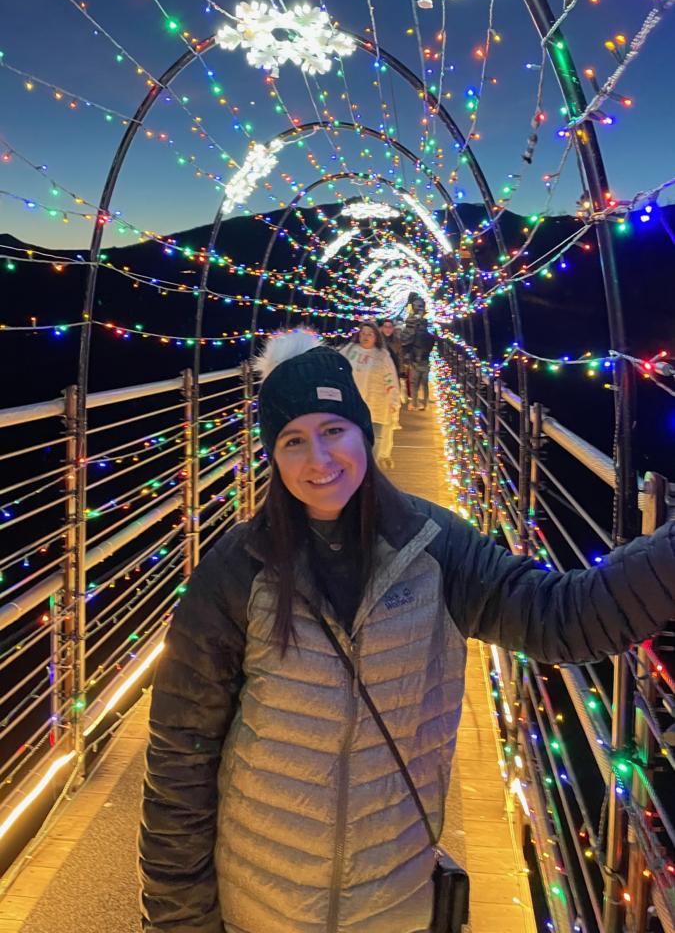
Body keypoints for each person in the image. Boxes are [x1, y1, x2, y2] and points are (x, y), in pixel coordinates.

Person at [139, 329, 675, 933]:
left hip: (393, 907)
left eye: (334, 430)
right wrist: (180, 921)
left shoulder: (437, 548)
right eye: (293, 440)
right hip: (259, 906)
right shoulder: (237, 569)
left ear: (364, 433)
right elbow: (180, 755)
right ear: (272, 454)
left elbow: (561, 618)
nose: (319, 460)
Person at [341, 320, 399, 468]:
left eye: (370, 334)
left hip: (376, 402)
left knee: (376, 437)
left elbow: (390, 379)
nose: (366, 337)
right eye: (363, 334)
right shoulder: (349, 351)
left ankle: (371, 468)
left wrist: (393, 400)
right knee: (354, 436)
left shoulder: (382, 356)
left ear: (376, 337)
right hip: (353, 402)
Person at [400, 302, 436, 410]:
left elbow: (408, 343)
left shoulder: (414, 334)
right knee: (425, 384)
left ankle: (414, 403)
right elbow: (432, 345)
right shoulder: (430, 336)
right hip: (425, 360)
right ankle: (425, 403)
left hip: (415, 361)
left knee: (414, 383)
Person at [380, 316, 408, 407]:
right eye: (385, 327)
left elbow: (400, 357)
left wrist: (402, 371)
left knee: (392, 391)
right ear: (382, 328)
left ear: (393, 328)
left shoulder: (397, 340)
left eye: (390, 327)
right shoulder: (377, 341)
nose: (387, 329)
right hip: (381, 370)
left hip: (394, 370)